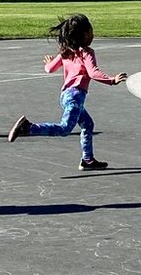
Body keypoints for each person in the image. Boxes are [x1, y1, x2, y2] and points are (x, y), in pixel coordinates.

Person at [7, 13, 125, 169]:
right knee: (64, 129)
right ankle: (28, 128)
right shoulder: (87, 53)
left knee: (88, 124)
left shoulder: (65, 52)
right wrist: (112, 80)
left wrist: (49, 62)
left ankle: (88, 160)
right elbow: (93, 72)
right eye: (91, 32)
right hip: (75, 97)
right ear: (84, 35)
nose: (93, 35)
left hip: (66, 96)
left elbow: (49, 69)